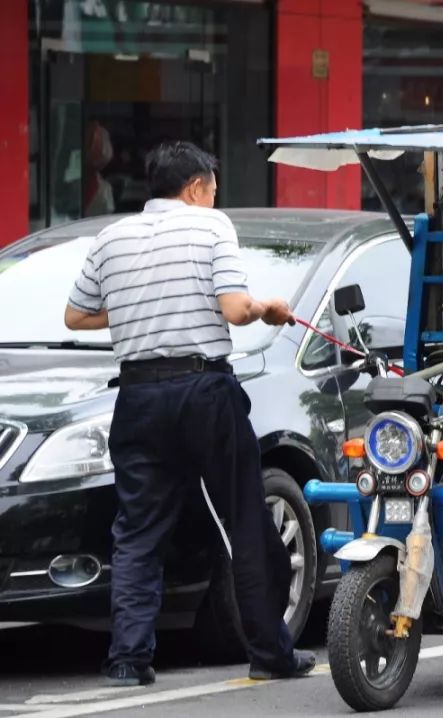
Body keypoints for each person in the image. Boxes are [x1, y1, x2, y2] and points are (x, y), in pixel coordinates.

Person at [63, 141, 316, 687]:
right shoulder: (211, 227)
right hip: (204, 391)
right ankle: (270, 651)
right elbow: (234, 307)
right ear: (197, 187)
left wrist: (137, 308)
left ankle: (128, 659)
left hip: (138, 397)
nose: (214, 198)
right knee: (245, 520)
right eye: (213, 191)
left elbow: (75, 315)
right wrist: (267, 308)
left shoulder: (111, 237)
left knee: (136, 532)